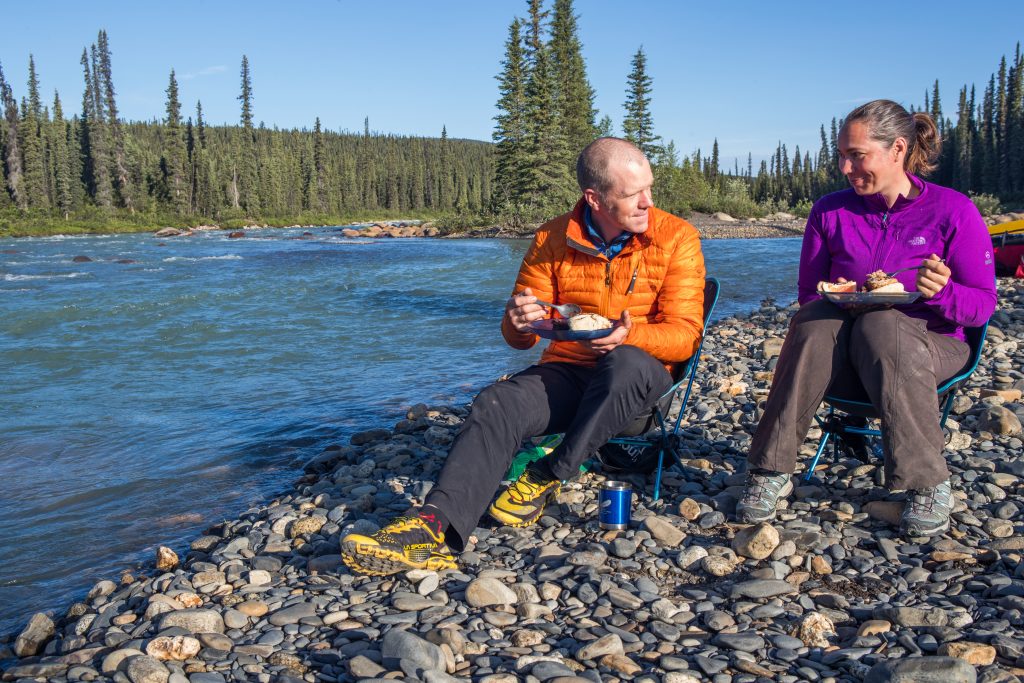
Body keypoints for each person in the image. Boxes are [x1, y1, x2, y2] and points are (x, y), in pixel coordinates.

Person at [342, 137, 706, 575]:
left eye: (649, 189)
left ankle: (547, 475)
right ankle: (436, 529)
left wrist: (632, 335)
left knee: (624, 361)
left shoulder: (675, 237)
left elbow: (685, 337)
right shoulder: (552, 238)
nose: (648, 202)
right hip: (570, 373)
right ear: (595, 198)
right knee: (498, 403)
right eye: (632, 194)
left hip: (637, 394)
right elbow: (522, 341)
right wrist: (518, 321)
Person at [735, 100, 997, 537]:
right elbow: (808, 295)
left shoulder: (952, 211)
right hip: (843, 354)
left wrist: (944, 293)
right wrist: (846, 299)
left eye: (856, 155)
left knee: (885, 324)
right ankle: (769, 471)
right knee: (816, 320)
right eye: (840, 155)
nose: (845, 166)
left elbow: (982, 306)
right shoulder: (830, 211)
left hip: (930, 346)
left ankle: (927, 482)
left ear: (897, 149)